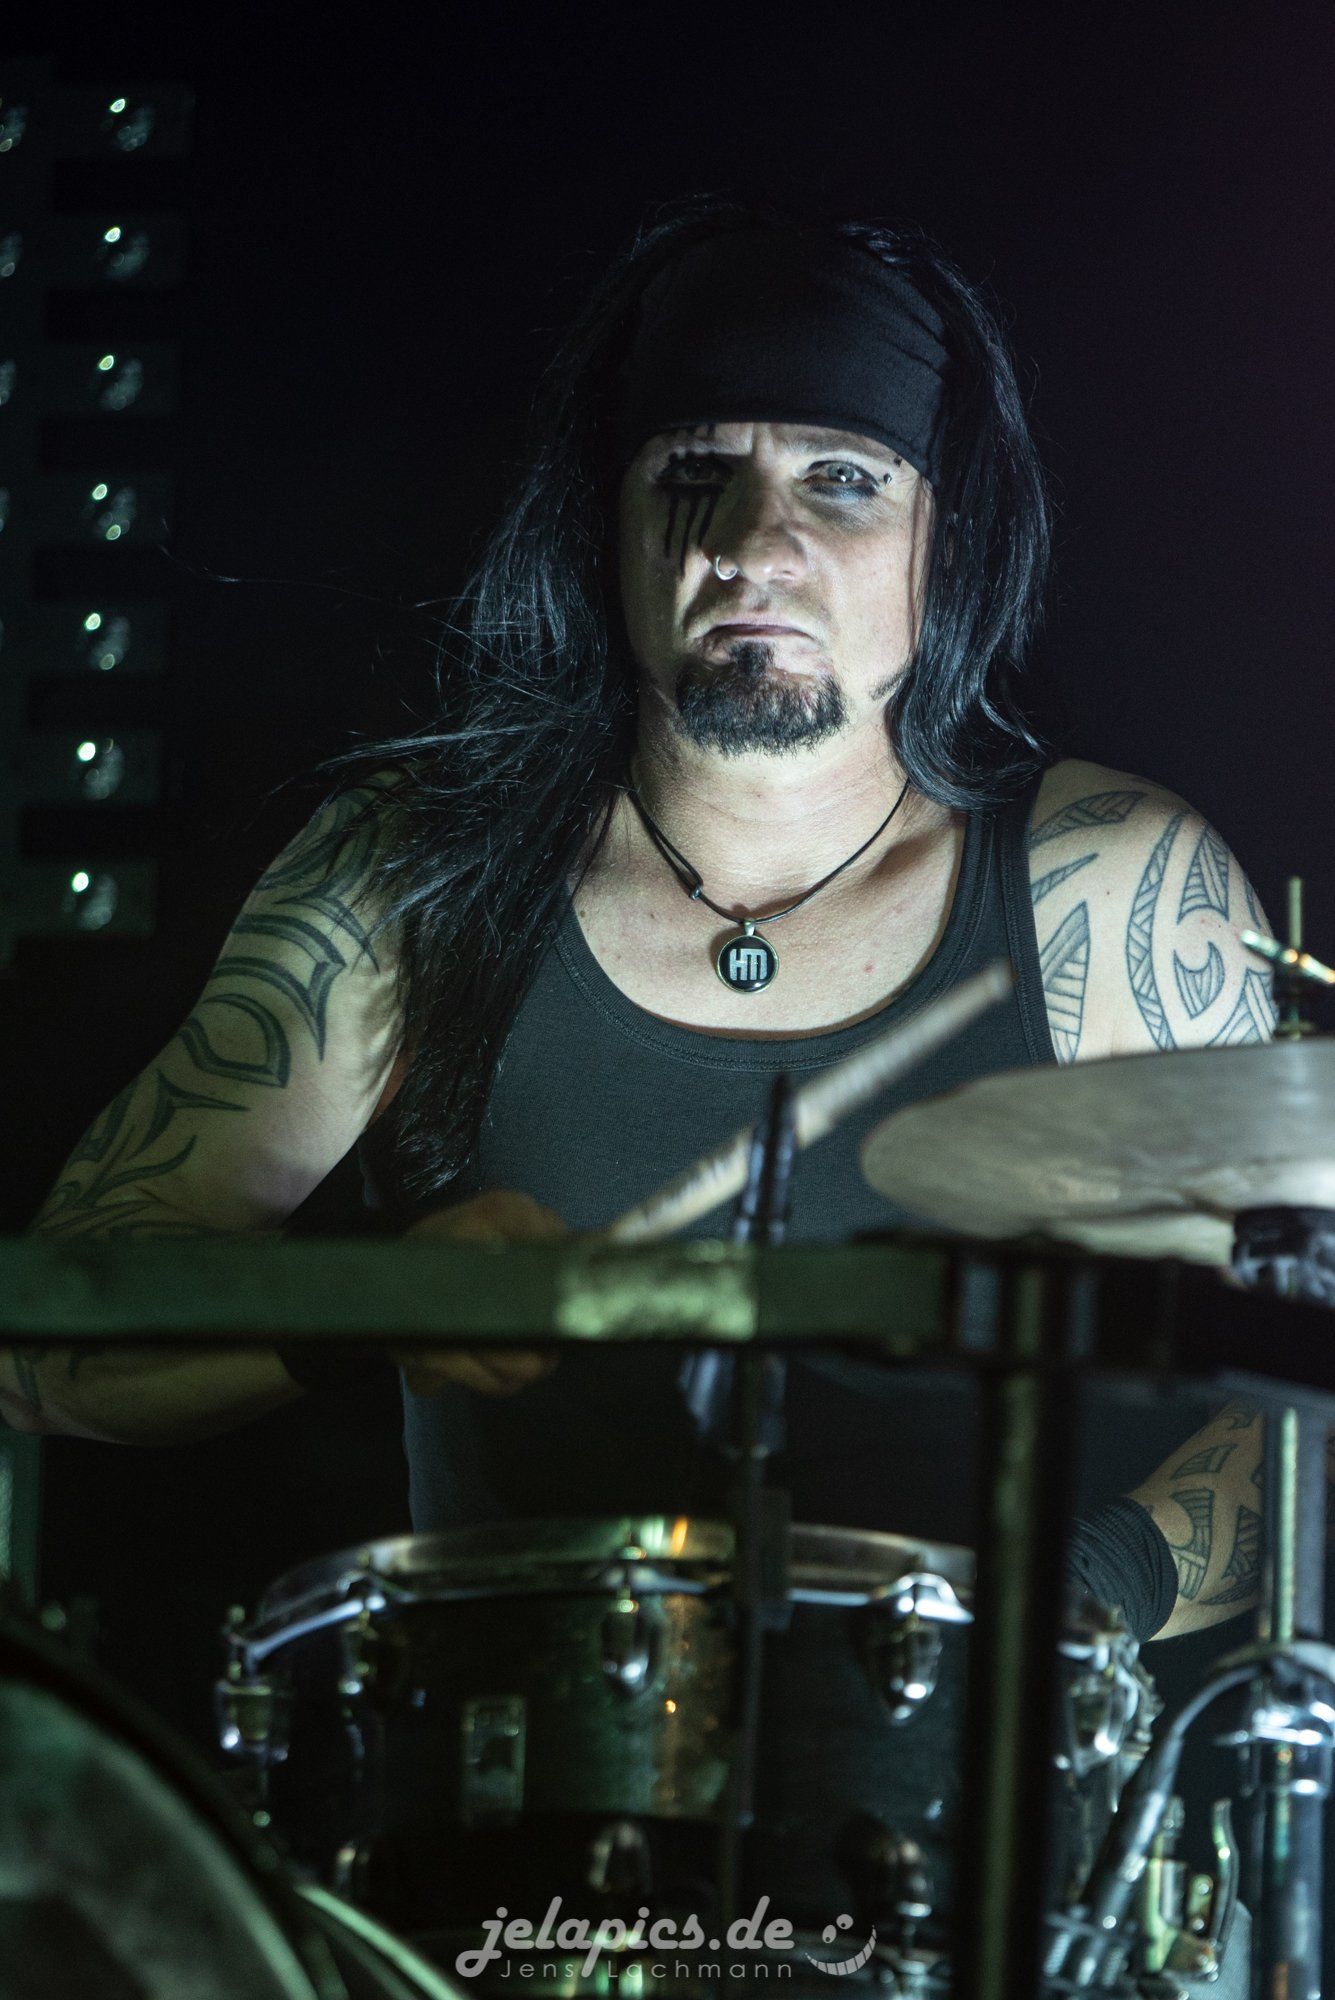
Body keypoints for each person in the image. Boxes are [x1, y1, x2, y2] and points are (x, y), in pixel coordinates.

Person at [4, 200, 1279, 1647]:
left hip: (988, 1772)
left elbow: (1317, 1379)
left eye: (844, 480)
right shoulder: (415, 871)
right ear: (602, 523)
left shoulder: (1106, 890)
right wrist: (360, 1301)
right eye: (694, 472)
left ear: (950, 540)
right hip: (520, 1767)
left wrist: (1088, 1592)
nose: (754, 545)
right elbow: (46, 1345)